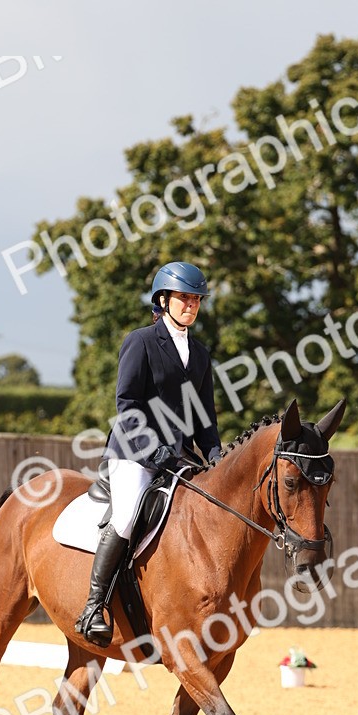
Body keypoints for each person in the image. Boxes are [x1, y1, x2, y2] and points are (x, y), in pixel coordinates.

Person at [75, 261, 223, 647]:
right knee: (125, 518)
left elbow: (203, 415)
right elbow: (127, 403)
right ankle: (94, 606)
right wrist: (152, 450)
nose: (191, 305)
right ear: (163, 299)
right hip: (134, 452)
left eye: (196, 299)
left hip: (178, 456)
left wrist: (215, 453)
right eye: (184, 298)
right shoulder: (140, 341)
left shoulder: (201, 354)